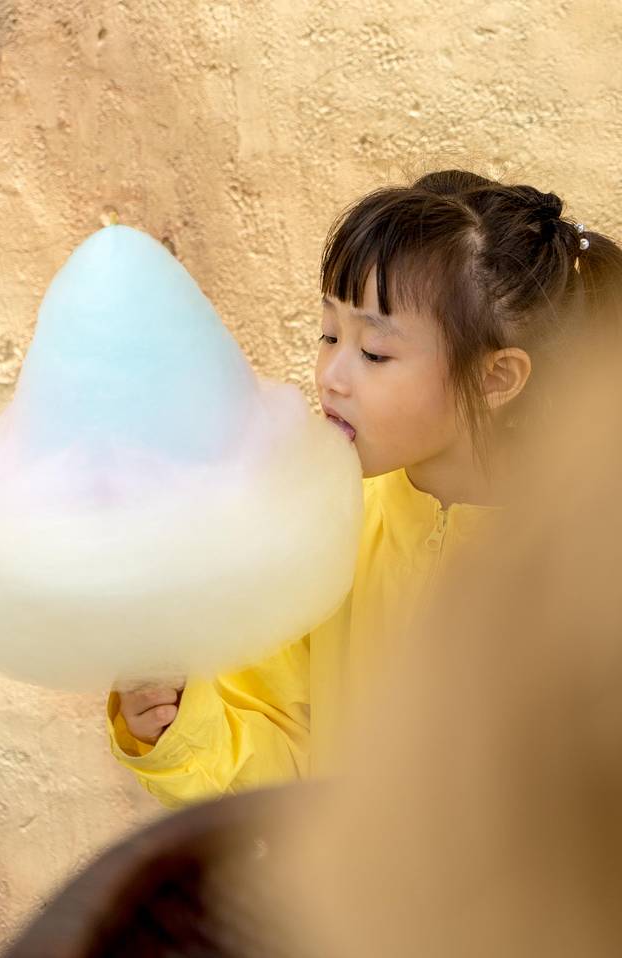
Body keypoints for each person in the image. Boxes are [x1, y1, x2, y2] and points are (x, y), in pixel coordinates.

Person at [107, 169, 622, 808]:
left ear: (495, 380)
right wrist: (178, 722)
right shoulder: (323, 528)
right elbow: (283, 769)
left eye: (374, 352)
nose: (331, 375)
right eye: (329, 335)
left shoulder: (589, 564)